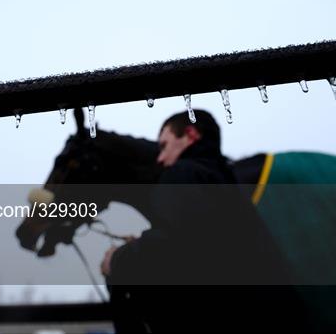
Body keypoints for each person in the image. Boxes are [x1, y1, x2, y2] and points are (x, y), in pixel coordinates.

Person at [100, 109, 304, 333]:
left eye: (164, 145)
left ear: (191, 134)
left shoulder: (183, 173)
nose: (160, 158)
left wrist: (117, 258)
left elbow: (169, 245)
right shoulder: (223, 179)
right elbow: (200, 245)